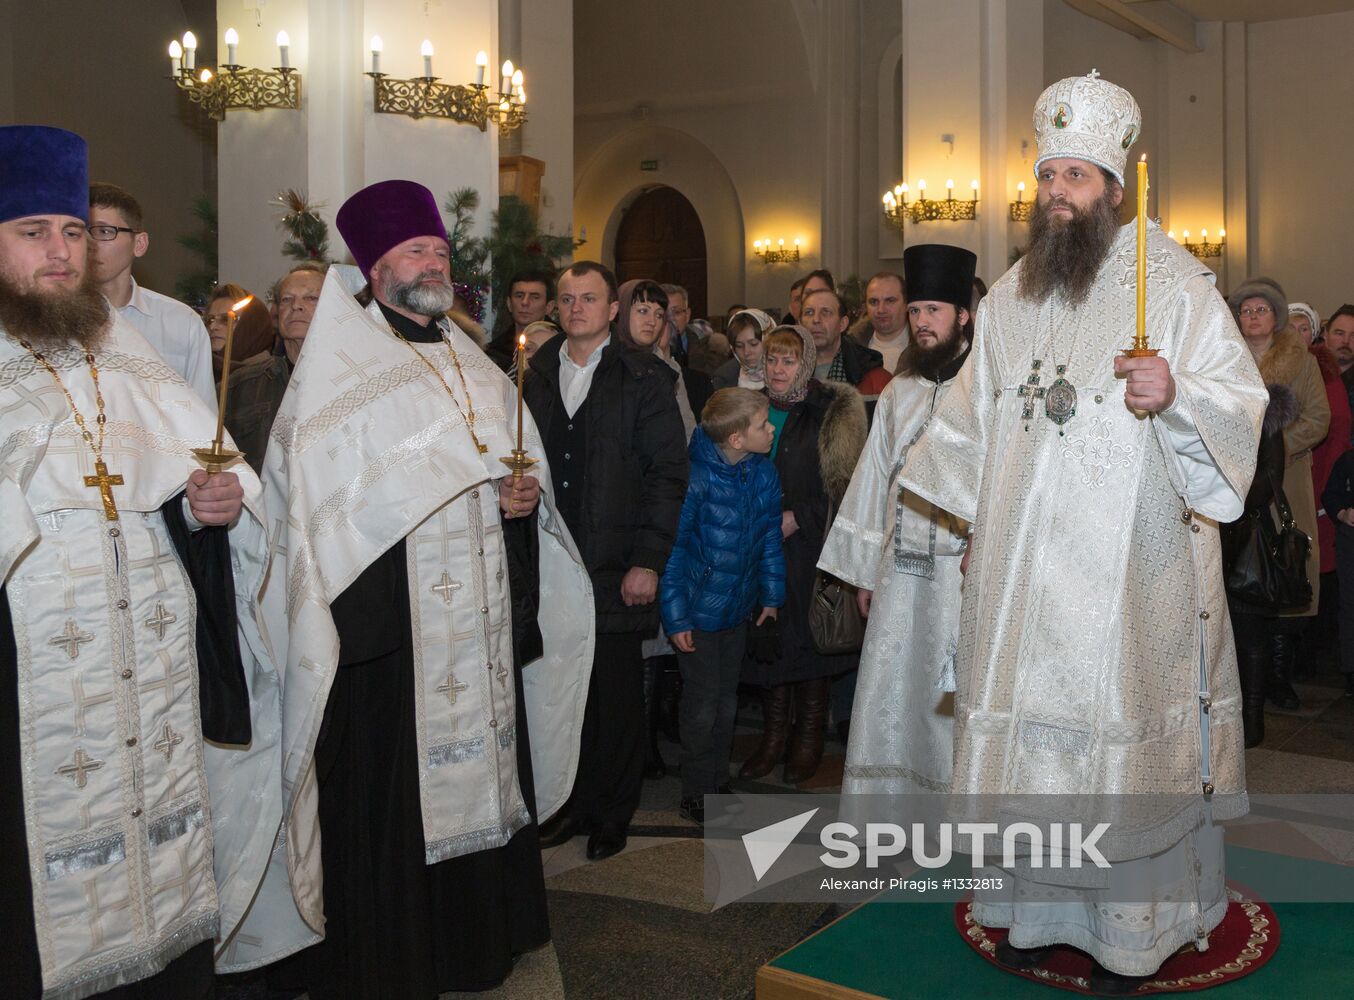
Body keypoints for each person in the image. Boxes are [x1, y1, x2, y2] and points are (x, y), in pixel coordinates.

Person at [897, 72, 1266, 990]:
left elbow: (1240, 402)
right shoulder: (1015, 292)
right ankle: (1035, 910)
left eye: (1078, 176)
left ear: (1115, 183)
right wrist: (964, 517)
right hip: (1025, 577)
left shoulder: (1173, 283)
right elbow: (975, 415)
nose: (1057, 192)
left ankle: (1134, 926)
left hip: (1129, 575)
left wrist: (1175, 396)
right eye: (1048, 173)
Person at [228, 180, 594, 997]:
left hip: (477, 611)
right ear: (375, 266)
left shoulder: (471, 359)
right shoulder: (340, 369)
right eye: (415, 252)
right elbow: (320, 504)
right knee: (392, 791)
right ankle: (396, 952)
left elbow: (506, 464)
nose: (434, 263)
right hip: (390, 627)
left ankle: (481, 936)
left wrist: (519, 499)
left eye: (438, 250)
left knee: (488, 772)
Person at [0, 125, 279, 1000]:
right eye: (34, 230)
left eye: (76, 232)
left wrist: (217, 504)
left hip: (147, 672)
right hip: (32, 687)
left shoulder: (125, 350)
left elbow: (205, 473)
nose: (61, 251)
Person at [525, 261, 688, 861]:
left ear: (612, 309)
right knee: (556, 689)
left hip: (616, 562)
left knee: (614, 693)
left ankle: (611, 812)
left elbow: (668, 474)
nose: (575, 308)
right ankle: (566, 803)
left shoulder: (645, 377)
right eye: (566, 298)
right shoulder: (535, 373)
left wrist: (648, 560)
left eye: (588, 298)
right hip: (547, 559)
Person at [818, 244, 976, 803]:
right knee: (897, 691)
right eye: (915, 312)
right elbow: (870, 482)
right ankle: (896, 811)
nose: (921, 323)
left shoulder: (988, 396)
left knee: (956, 696)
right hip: (900, 575)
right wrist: (863, 574)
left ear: (963, 316)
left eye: (934, 311)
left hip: (963, 578)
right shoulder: (899, 394)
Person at [738, 326, 867, 785]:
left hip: (811, 547)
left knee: (808, 645)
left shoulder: (832, 410)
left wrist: (800, 517)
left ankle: (808, 737)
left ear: (806, 364)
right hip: (759, 546)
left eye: (788, 361)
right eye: (772, 359)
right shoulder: (749, 405)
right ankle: (773, 738)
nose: (777, 369)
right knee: (769, 640)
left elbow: (848, 488)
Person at [661, 388, 784, 824]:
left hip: (737, 609)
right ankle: (696, 790)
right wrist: (675, 617)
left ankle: (718, 780)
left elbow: (770, 536)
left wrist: (770, 595)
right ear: (736, 439)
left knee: (727, 701)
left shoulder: (763, 473)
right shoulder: (695, 480)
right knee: (702, 705)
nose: (771, 429)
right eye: (763, 424)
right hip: (697, 614)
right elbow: (672, 554)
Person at [1227, 277, 1330, 709]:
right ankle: (1245, 677)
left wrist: (1277, 449)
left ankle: (1279, 677)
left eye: (1261, 310)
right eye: (1246, 310)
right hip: (1235, 481)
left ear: (1277, 317)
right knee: (1244, 574)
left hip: (1285, 480)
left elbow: (1318, 418)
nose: (1253, 317)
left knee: (1285, 564)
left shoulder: (1301, 362)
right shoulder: (1224, 358)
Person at [88, 182, 216, 407]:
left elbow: (203, 419)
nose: (91, 244)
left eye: (105, 232)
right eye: (80, 233)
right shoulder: (53, 321)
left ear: (139, 244)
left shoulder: (181, 324)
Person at [1223, 384, 1297, 746]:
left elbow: (1271, 475)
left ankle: (1252, 718)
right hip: (1205, 530)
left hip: (1247, 532)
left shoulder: (1264, 410)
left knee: (1249, 632)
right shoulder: (1206, 403)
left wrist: (1224, 498)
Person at [225, 262, 325, 473]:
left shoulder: (351, 381)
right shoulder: (240, 387)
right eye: (287, 299)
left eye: (311, 298)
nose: (296, 306)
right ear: (277, 312)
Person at [801, 286, 892, 410]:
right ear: (799, 324)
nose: (816, 319)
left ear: (842, 324)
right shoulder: (785, 373)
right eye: (809, 312)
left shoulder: (874, 380)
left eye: (825, 312)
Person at [1322, 447, 1354, 696]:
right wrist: (1342, 513)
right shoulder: (1348, 459)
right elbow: (1330, 495)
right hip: (1350, 542)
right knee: (1350, 607)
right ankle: (1350, 671)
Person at [486, 269, 556, 373]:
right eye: (519, 296)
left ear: (549, 307)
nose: (525, 302)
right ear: (509, 304)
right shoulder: (494, 352)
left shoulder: (562, 347)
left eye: (535, 297)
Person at [204, 282, 273, 381]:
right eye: (210, 320)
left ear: (252, 327)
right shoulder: (199, 371)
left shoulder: (270, 379)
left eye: (226, 320)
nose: (213, 326)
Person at [663, 283, 730, 375]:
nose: (670, 318)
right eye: (662, 313)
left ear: (687, 315)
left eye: (676, 312)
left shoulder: (712, 351)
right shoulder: (642, 352)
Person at [854, 271, 909, 375]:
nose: (881, 309)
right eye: (874, 302)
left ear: (906, 304)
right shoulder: (851, 349)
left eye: (890, 301)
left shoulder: (925, 349)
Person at [712, 308, 776, 391]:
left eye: (753, 344)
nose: (746, 352)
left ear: (769, 341)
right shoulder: (723, 377)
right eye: (739, 346)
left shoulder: (785, 374)